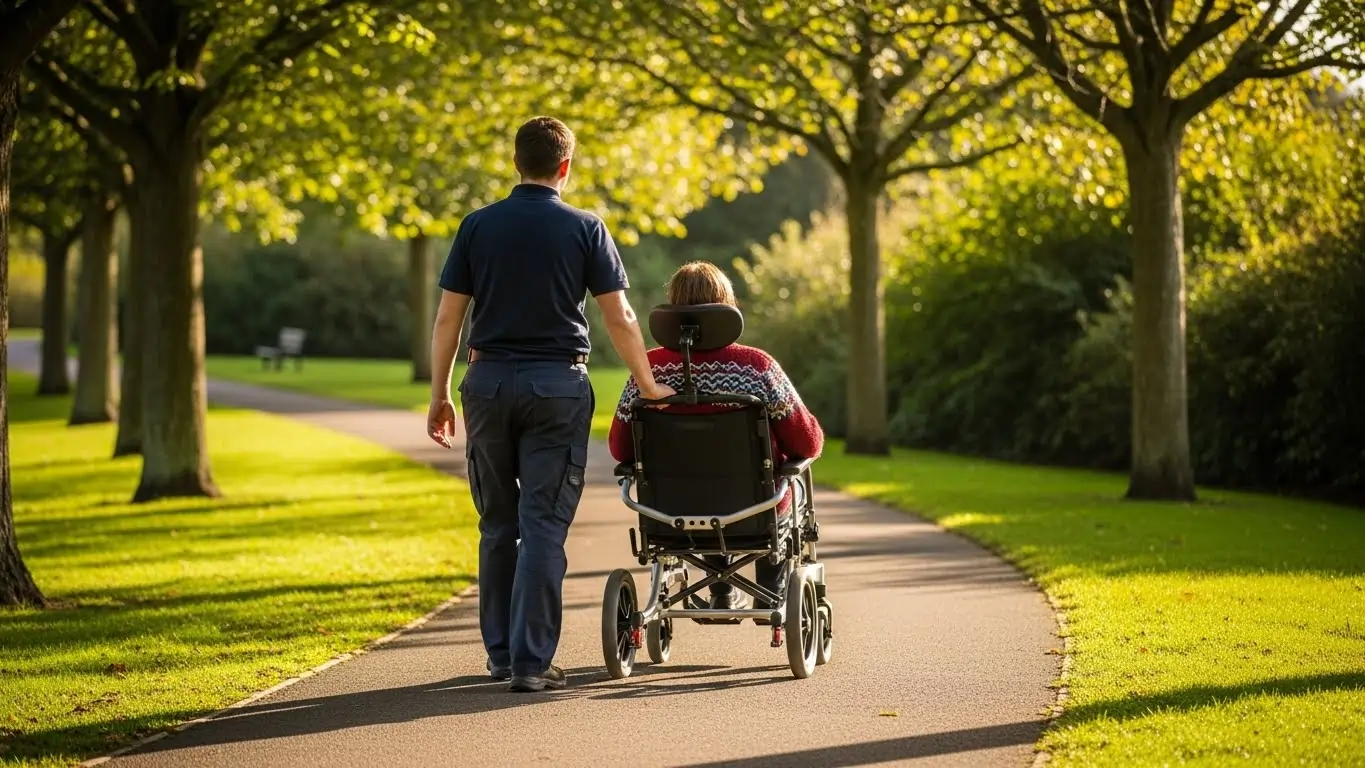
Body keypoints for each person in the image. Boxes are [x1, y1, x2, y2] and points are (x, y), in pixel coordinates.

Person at [426, 116, 676, 693]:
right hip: (558, 387)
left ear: (516, 163)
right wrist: (649, 383)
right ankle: (531, 665)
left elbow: (448, 317)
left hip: (486, 384)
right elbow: (620, 316)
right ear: (565, 166)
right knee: (542, 524)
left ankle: (501, 654)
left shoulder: (476, 226)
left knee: (496, 523)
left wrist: (440, 394)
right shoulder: (586, 228)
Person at [607, 261, 824, 610]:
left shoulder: (647, 370)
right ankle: (771, 588)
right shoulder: (757, 367)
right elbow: (807, 442)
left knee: (703, 493)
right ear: (726, 305)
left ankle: (721, 590)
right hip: (754, 508)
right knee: (787, 489)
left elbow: (620, 449)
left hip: (670, 512)